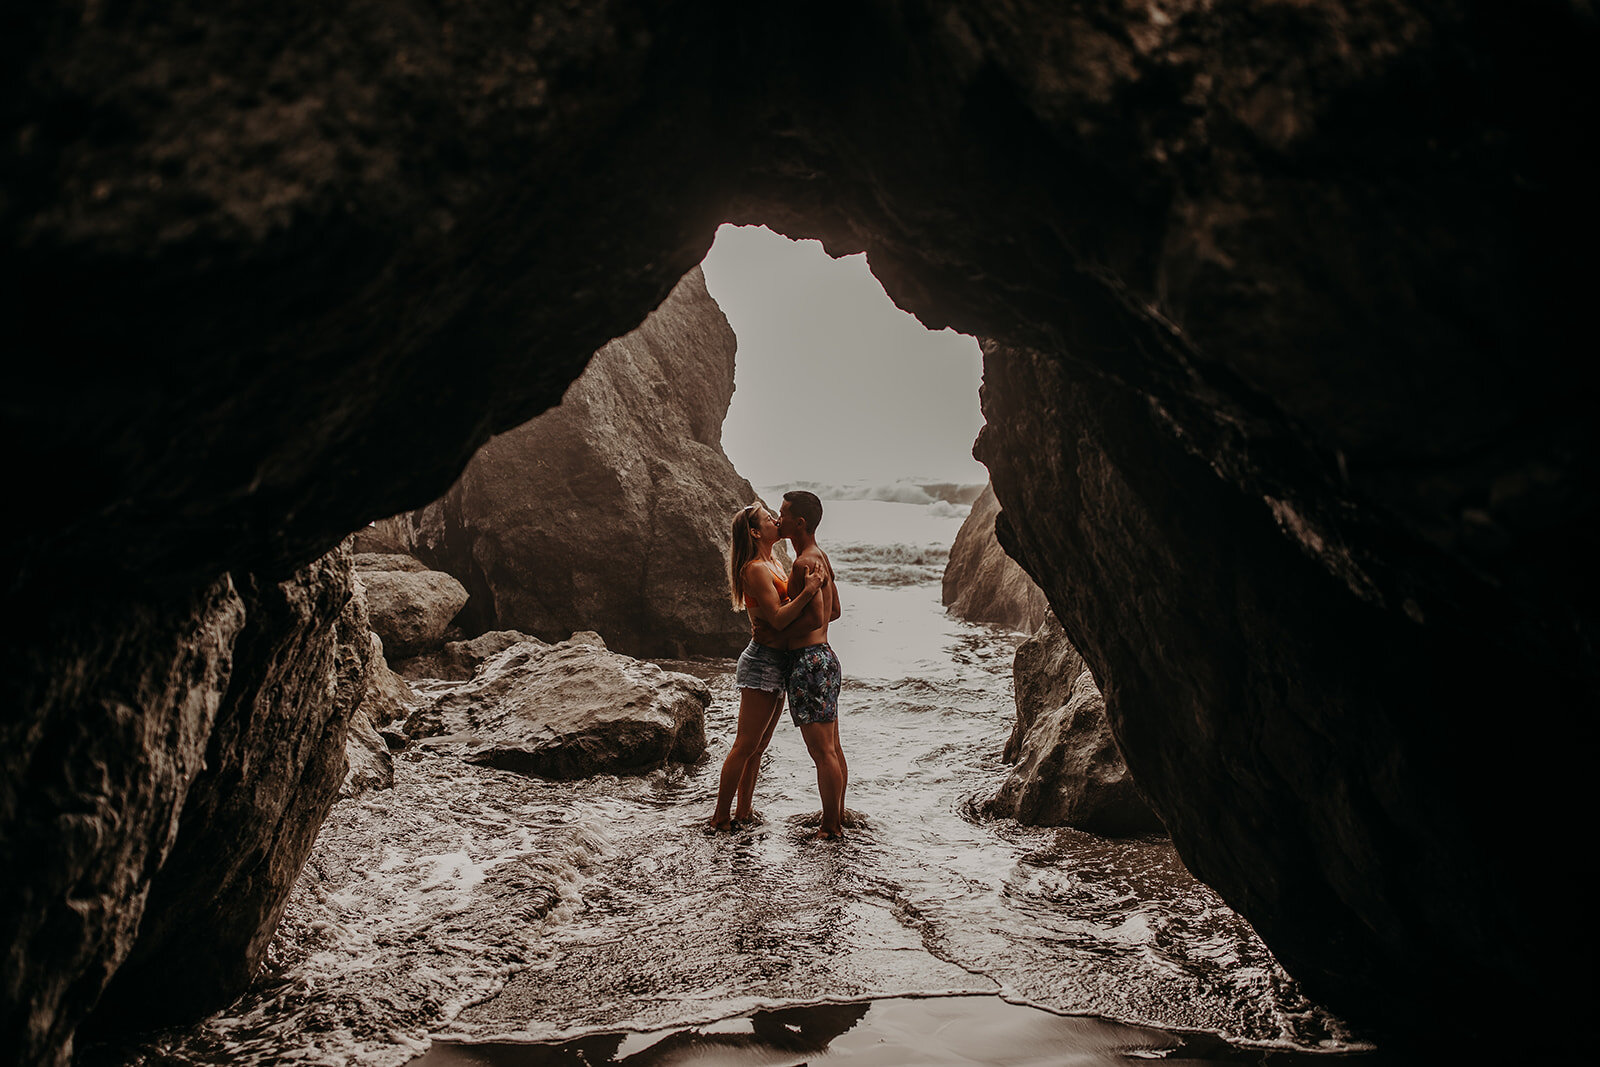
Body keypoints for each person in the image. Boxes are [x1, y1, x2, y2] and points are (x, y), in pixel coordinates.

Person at [710, 502, 827, 831]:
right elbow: (776, 619)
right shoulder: (755, 569)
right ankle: (720, 816)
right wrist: (809, 591)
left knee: (758, 747)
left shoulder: (773, 561)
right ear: (755, 532)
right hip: (762, 662)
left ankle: (743, 812)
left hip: (778, 661)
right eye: (768, 519)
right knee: (745, 745)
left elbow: (781, 612)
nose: (776, 520)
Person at [776, 490, 847, 840]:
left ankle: (830, 828)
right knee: (832, 748)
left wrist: (780, 622)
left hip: (808, 662)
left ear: (799, 523)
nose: (778, 518)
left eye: (783, 513)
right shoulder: (821, 557)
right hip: (826, 658)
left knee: (822, 753)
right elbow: (834, 612)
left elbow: (817, 613)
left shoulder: (803, 563)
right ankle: (838, 816)